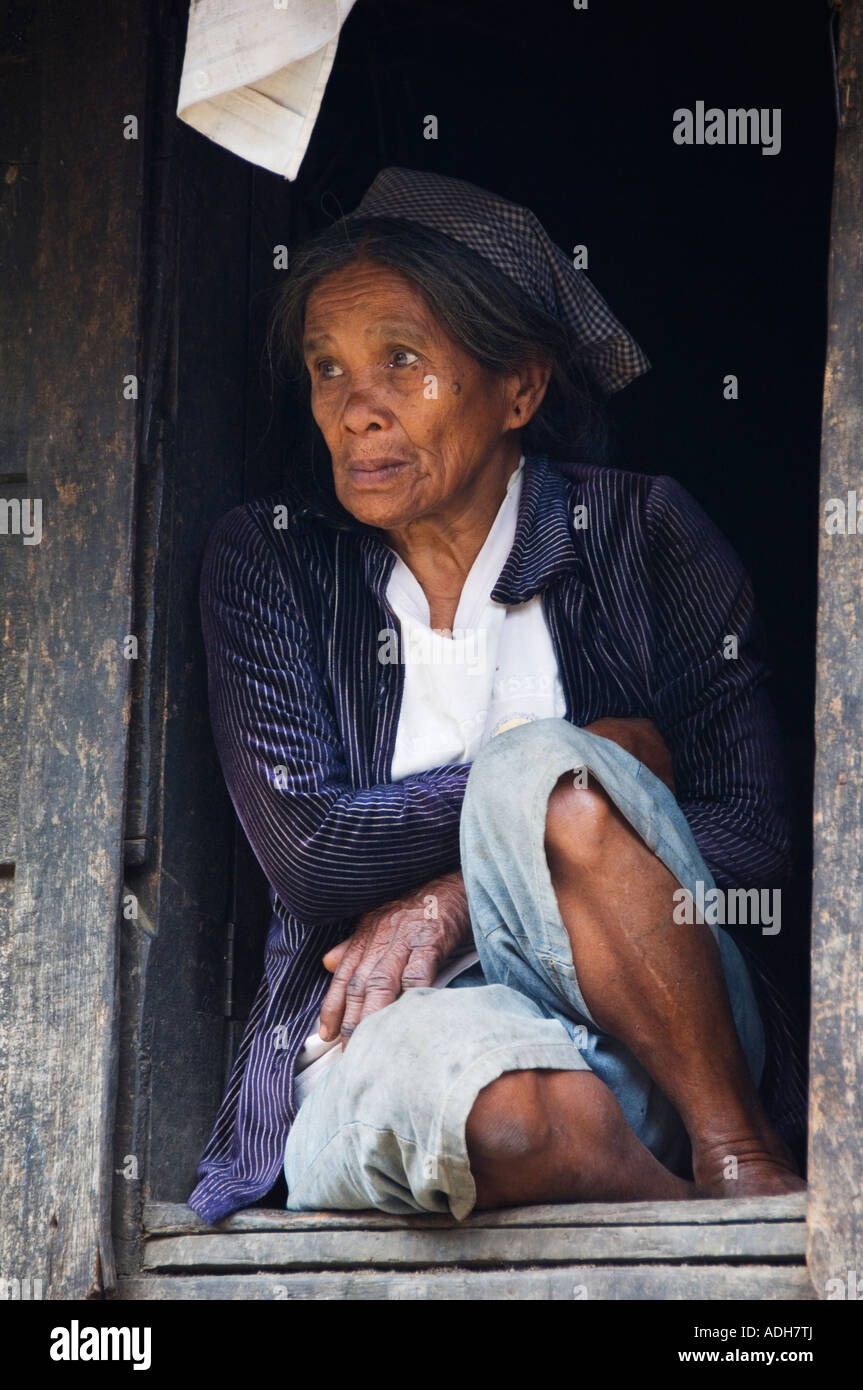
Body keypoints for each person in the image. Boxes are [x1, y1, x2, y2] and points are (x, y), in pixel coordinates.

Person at [188, 167, 804, 1225]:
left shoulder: (642, 535)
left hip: (659, 1032)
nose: (354, 407)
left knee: (546, 778)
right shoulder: (272, 558)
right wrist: (600, 750)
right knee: (502, 1114)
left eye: (402, 361)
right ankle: (681, 1217)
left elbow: (750, 837)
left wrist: (461, 891)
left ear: (517, 389)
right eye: (325, 368)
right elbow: (310, 852)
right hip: (393, 1035)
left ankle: (736, 1153)